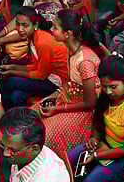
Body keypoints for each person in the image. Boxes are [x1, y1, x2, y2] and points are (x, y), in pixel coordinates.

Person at [67, 55, 124, 182]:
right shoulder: (108, 95)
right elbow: (98, 118)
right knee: (68, 159)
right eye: (104, 86)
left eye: (113, 87)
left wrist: (97, 155)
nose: (108, 91)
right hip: (109, 145)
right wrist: (95, 137)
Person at [38, 9, 101, 154]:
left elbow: (90, 103)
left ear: (68, 34)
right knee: (34, 114)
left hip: (86, 112)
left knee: (44, 135)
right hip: (70, 98)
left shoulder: (84, 62)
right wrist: (53, 97)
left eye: (55, 27)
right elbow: (69, 84)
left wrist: (58, 109)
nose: (51, 29)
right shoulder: (70, 50)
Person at [0, 6, 70, 108]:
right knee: (17, 96)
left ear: (35, 25)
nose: (20, 29)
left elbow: (41, 75)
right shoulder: (33, 37)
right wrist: (12, 67)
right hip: (46, 76)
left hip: (56, 82)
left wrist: (12, 72)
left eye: (25, 25)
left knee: (11, 82)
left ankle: (4, 113)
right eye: (18, 24)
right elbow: (36, 65)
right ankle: (20, 115)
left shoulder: (42, 42)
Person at [0, 106, 71, 182]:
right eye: (3, 145)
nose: (5, 153)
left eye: (12, 150)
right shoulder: (23, 156)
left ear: (35, 149)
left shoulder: (48, 179)